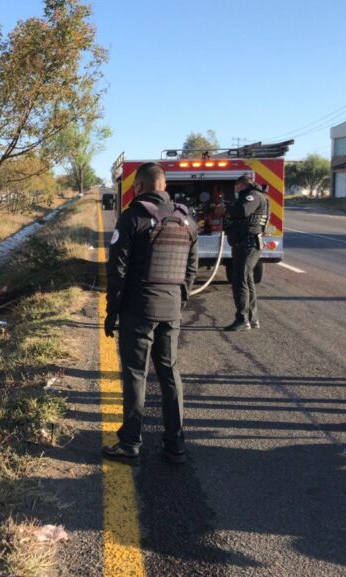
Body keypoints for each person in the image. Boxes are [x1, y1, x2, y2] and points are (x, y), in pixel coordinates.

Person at [104, 162, 198, 464]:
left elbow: (117, 270)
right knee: (170, 373)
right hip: (171, 310)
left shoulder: (132, 218)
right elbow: (190, 270)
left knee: (135, 374)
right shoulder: (187, 220)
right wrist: (179, 301)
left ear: (140, 186)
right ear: (165, 186)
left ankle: (130, 442)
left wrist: (112, 311)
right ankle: (176, 445)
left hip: (138, 310)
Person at [223, 175, 269, 331]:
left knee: (239, 280)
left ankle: (242, 319)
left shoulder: (253, 196)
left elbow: (242, 211)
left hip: (247, 243)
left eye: (236, 186)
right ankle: (252, 319)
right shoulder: (251, 195)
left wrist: (225, 209)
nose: (234, 189)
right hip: (244, 243)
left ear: (241, 185)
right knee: (247, 280)